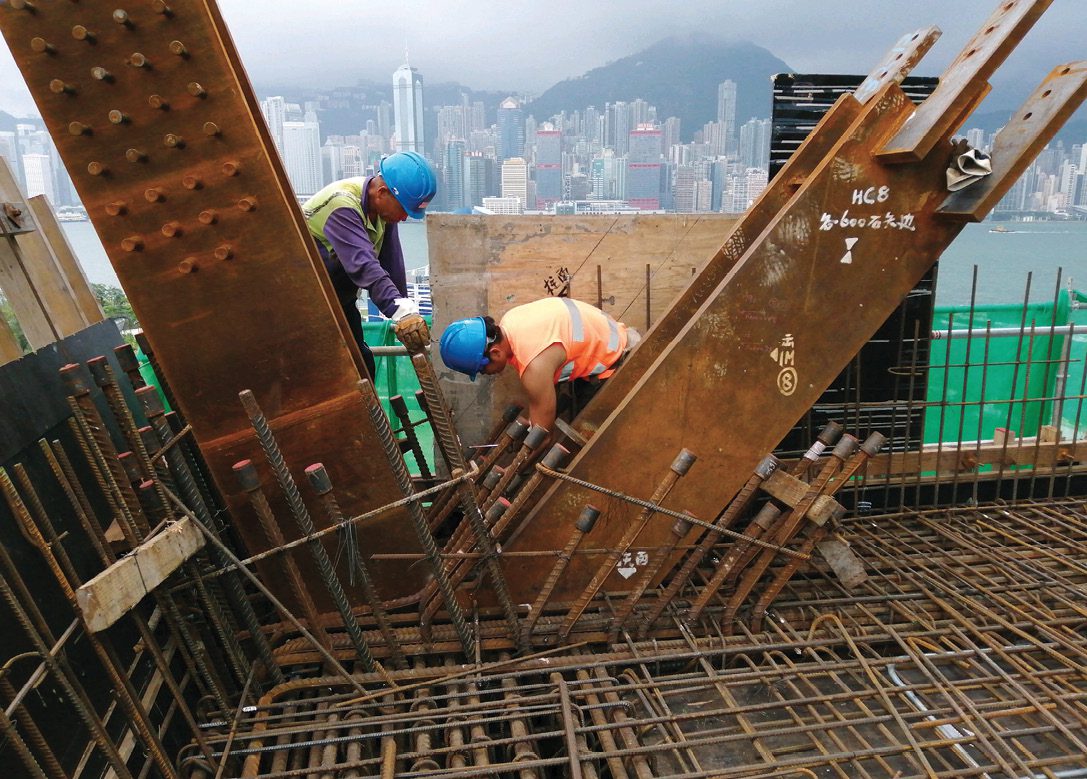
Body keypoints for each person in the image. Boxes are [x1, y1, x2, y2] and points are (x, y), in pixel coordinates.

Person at [303, 151, 436, 376]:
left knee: (362, 365)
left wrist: (406, 312)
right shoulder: (342, 205)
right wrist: (399, 310)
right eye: (403, 209)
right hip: (307, 305)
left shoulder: (382, 210)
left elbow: (392, 263)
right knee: (330, 375)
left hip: (338, 301)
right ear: (382, 193)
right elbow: (364, 264)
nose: (405, 218)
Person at [439, 297, 640, 430]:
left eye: (482, 369)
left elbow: (543, 435)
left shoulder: (533, 365)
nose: (485, 374)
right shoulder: (511, 320)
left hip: (619, 364)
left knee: (589, 443)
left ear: (495, 352)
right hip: (619, 338)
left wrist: (521, 463)